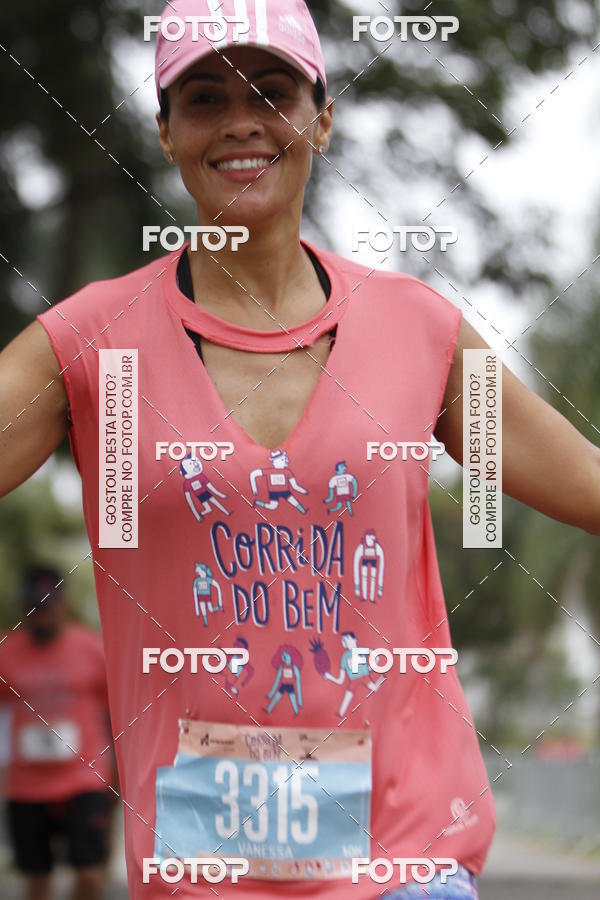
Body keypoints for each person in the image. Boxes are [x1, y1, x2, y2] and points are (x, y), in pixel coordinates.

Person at [0, 0, 599, 897]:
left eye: (272, 92)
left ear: (322, 116)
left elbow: (590, 482)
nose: (241, 120)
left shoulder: (421, 333)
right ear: (165, 132)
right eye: (203, 98)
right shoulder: (97, 346)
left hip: (404, 862)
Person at [0, 566, 115, 900]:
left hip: (83, 779)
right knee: (37, 880)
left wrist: (118, 774)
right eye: (35, 607)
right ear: (24, 608)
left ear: (63, 605)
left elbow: (115, 713)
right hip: (26, 785)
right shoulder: (7, 651)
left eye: (48, 606)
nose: (42, 615)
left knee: (91, 874)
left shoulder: (91, 649)